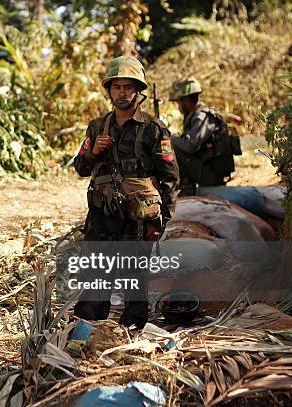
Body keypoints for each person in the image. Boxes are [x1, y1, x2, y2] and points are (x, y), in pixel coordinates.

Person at [72, 56, 179, 329]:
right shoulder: (97, 127)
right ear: (109, 90)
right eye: (116, 87)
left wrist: (161, 220)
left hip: (138, 217)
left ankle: (132, 334)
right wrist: (94, 152)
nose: (122, 92)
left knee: (134, 277)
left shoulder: (153, 128)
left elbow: (169, 177)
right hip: (102, 214)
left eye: (128, 87)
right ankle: (87, 331)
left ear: (137, 90)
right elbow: (81, 168)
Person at [168, 77, 241, 196]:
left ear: (186, 100)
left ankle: (186, 187)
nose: (178, 106)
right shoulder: (195, 116)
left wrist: (171, 138)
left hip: (212, 177)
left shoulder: (204, 116)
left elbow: (189, 145)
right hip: (208, 172)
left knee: (170, 143)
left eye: (178, 102)